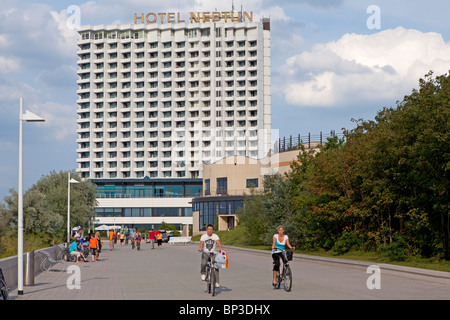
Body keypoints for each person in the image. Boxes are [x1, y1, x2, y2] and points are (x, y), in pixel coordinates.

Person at [198, 224, 223, 289]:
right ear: (207, 230)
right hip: (205, 253)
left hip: (213, 253)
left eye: (211, 229)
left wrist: (221, 249)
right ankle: (203, 273)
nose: (210, 231)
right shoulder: (204, 236)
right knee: (203, 263)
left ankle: (217, 282)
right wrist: (200, 248)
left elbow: (218, 242)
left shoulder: (215, 236)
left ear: (212, 230)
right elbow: (201, 243)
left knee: (216, 267)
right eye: (209, 229)